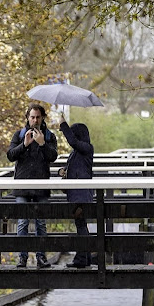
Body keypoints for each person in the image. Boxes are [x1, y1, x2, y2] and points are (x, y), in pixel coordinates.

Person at [7, 104, 58, 269]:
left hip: (41, 185)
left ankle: (41, 257)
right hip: (22, 184)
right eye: (32, 117)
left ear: (42, 118)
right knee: (22, 222)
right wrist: (25, 144)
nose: (35, 120)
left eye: (38, 117)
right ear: (27, 118)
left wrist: (42, 144)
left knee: (40, 222)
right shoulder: (19, 135)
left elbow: (53, 157)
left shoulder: (49, 136)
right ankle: (22, 257)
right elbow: (10, 156)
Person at [57, 112, 94, 268]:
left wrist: (63, 124)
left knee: (80, 225)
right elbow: (73, 167)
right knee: (81, 224)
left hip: (81, 194)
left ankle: (81, 259)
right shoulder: (78, 152)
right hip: (77, 193)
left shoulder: (86, 148)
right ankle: (84, 259)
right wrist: (62, 171)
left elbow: (72, 141)